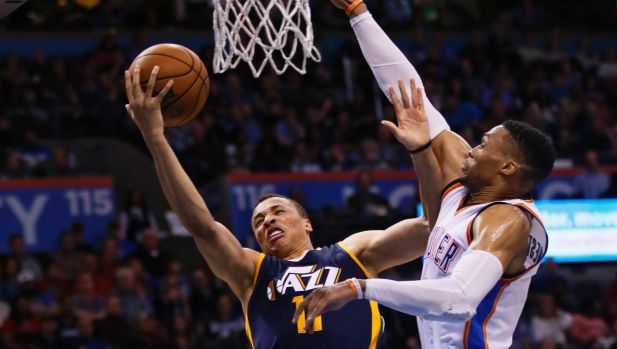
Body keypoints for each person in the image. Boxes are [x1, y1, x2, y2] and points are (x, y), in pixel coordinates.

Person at [293, 2, 556, 348]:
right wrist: (358, 13)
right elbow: (409, 92)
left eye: (484, 145)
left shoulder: (508, 221)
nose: (472, 149)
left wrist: (358, 287)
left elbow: (460, 299)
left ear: (507, 167)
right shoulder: (465, 191)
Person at [124, 64, 434, 348]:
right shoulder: (252, 272)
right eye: (258, 221)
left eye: (277, 212)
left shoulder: (353, 252)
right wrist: (155, 138)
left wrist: (422, 149)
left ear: (307, 223)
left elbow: (430, 228)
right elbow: (202, 226)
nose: (267, 221)